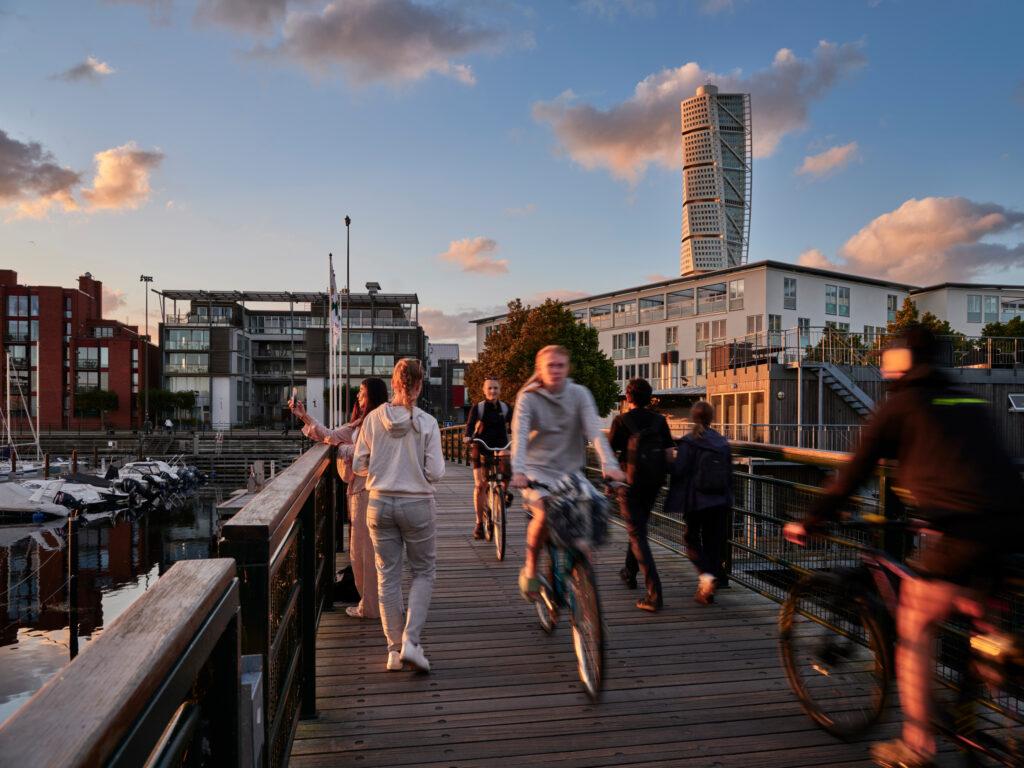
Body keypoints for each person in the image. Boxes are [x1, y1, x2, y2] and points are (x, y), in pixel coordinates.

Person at [783, 325, 1024, 768]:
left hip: (961, 533)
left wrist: (809, 522)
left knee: (914, 623)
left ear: (898, 361)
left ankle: (917, 745)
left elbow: (853, 473)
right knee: (975, 608)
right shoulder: (969, 400)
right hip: (1012, 525)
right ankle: (994, 671)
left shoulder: (900, 407)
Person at [510, 345, 625, 600]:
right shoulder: (529, 397)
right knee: (543, 511)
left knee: (593, 506)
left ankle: (585, 590)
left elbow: (595, 431)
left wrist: (610, 465)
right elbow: (519, 435)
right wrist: (518, 471)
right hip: (536, 470)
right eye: (550, 365)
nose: (556, 370)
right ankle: (530, 567)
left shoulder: (579, 394)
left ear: (567, 368)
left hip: (570, 470)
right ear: (540, 369)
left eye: (560, 365)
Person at [353, 359, 444, 673]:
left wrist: (381, 469)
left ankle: (393, 651)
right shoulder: (427, 423)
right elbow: (436, 472)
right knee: (423, 572)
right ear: (419, 386)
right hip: (417, 504)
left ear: (394, 383)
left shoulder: (373, 419)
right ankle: (411, 642)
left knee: (387, 576)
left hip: (379, 505)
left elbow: (357, 466)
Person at [290, 378, 390, 621]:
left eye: (363, 394)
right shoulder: (360, 423)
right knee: (362, 550)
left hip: (368, 491)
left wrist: (344, 451)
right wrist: (304, 416)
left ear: (374, 397)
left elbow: (368, 455)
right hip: (359, 491)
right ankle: (372, 602)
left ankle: (371, 607)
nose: (358, 397)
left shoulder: (378, 423)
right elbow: (330, 436)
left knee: (364, 551)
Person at [608, 378, 674, 612]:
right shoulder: (659, 421)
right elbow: (668, 454)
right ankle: (629, 572)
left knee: (637, 534)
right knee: (638, 527)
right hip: (653, 482)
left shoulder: (622, 420)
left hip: (629, 482)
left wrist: (610, 481)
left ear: (628, 398)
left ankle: (654, 594)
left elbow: (610, 453)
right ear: (650, 397)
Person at [667, 400, 733, 606]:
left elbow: (679, 470)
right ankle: (710, 582)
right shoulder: (722, 442)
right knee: (714, 543)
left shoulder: (689, 441)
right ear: (712, 418)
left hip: (697, 501)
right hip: (720, 500)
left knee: (691, 538)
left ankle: (706, 577)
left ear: (693, 417)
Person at [464, 377, 513, 539]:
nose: (493, 391)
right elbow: (470, 426)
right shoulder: (478, 408)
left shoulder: (506, 408)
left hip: (500, 445)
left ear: (500, 390)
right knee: (480, 485)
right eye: (490, 388)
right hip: (481, 445)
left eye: (496, 388)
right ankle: (479, 522)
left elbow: (515, 425)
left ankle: (503, 493)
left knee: (507, 467)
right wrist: (467, 436)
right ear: (484, 391)